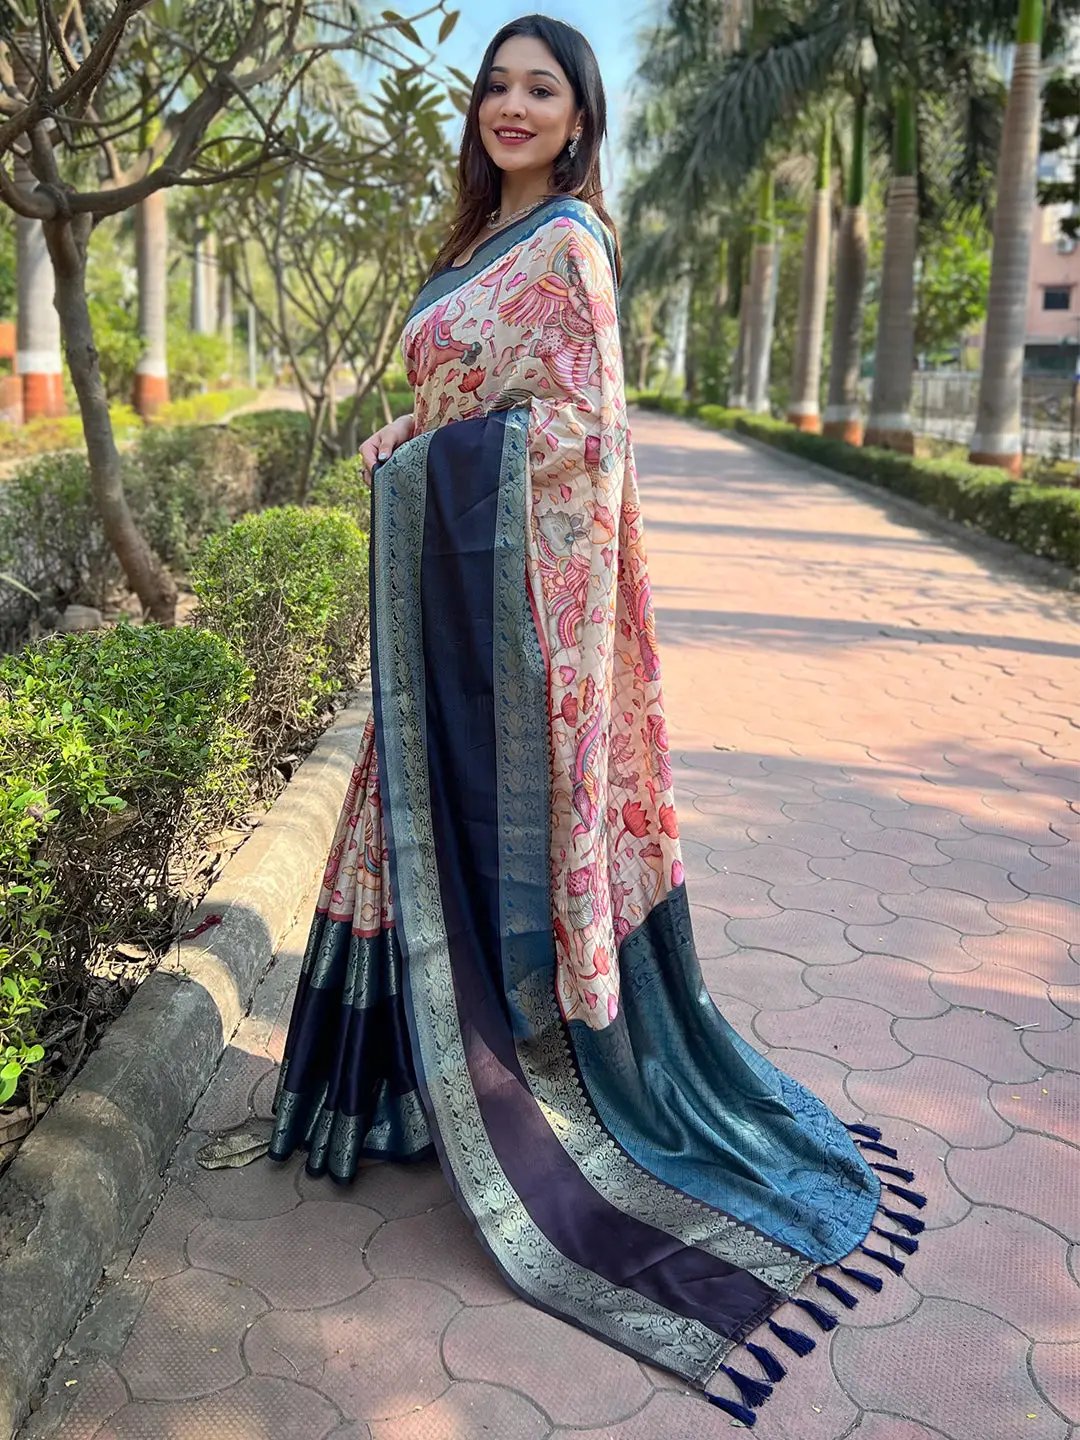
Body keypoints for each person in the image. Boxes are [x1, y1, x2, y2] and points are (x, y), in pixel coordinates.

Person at [267, 15, 924, 1424]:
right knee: (396, 830)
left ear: (579, 121)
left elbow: (578, 444)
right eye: (495, 85)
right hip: (440, 617)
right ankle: (388, 1097)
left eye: (541, 88)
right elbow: (471, 402)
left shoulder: (567, 248)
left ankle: (506, 1107)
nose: (512, 105)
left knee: (458, 845)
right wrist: (412, 445)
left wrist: (427, 462)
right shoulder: (467, 250)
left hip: (515, 628)